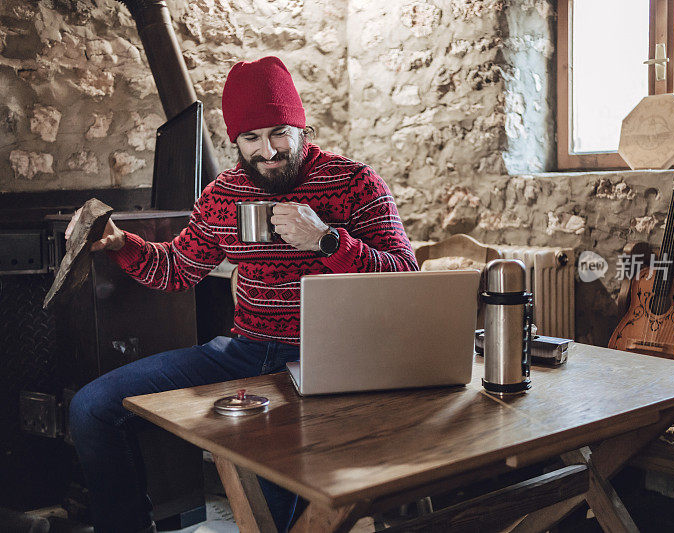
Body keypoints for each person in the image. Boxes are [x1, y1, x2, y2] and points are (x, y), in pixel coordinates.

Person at [66, 56, 419, 533]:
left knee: (271, 496)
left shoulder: (354, 183)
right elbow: (177, 269)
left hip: (326, 361)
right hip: (243, 352)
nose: (267, 151)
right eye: (251, 138)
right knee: (91, 408)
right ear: (235, 141)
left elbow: (404, 279)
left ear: (302, 128)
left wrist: (326, 240)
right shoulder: (222, 194)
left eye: (278, 132)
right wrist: (121, 244)